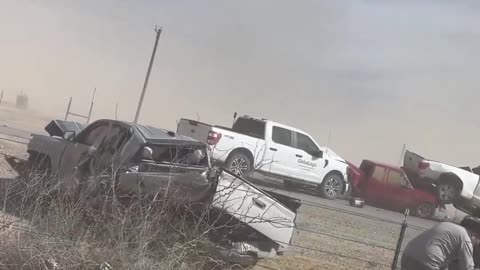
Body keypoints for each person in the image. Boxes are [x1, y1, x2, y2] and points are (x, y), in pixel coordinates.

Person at [401, 216, 480, 270]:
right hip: (427, 262)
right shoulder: (466, 238)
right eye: (477, 243)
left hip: (408, 255)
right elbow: (468, 268)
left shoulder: (449, 226)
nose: (473, 246)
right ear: (474, 234)